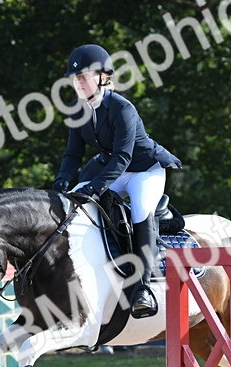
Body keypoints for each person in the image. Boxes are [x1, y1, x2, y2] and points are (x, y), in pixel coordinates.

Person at [52, 44, 181, 318]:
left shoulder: (123, 108)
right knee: (73, 202)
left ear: (102, 77)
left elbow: (123, 157)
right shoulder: (77, 111)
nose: (78, 83)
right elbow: (73, 153)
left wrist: (95, 186)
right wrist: (63, 179)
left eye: (83, 77)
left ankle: (142, 289)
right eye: (75, 79)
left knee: (139, 210)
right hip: (114, 169)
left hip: (145, 169)